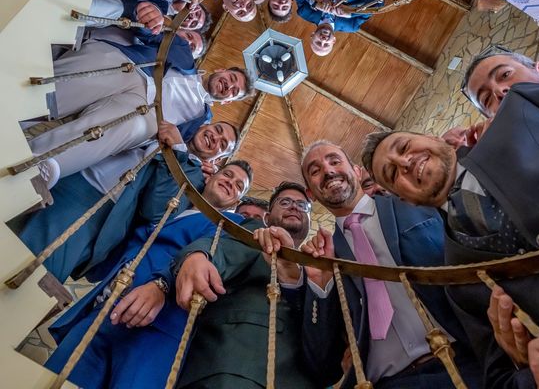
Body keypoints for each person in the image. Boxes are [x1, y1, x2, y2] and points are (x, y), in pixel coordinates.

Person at [361, 53, 539, 388]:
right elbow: (497, 377)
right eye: (392, 173)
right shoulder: (455, 279)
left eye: (403, 146)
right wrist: (532, 374)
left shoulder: (520, 109)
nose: (404, 162)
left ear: (436, 138)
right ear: (405, 199)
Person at [44, 160, 253, 389]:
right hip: (105, 306)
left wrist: (162, 285)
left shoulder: (234, 227)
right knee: (55, 380)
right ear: (211, 176)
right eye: (227, 175)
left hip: (157, 327)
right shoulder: (175, 204)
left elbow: (209, 264)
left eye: (238, 185)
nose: (230, 183)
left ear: (237, 201)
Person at [293, 140, 482, 388]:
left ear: (357, 171)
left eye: (335, 161)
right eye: (315, 171)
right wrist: (321, 286)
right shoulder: (326, 257)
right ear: (312, 194)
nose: (328, 171)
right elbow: (321, 362)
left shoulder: (412, 202)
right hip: (388, 382)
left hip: (466, 362)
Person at [29, 16, 254, 183]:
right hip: (133, 69)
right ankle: (24, 103)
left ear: (227, 101)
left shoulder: (202, 123)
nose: (230, 86)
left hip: (150, 117)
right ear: (222, 70)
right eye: (232, 78)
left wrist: (203, 168)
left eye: (235, 91)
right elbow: (149, 30)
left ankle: (48, 162)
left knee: (137, 126)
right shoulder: (183, 51)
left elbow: (188, 153)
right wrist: (154, 15)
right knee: (103, 73)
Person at [13, 120, 238, 283]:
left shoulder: (197, 179)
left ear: (217, 159)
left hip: (95, 207)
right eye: (217, 130)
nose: (215, 138)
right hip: (71, 172)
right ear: (203, 126)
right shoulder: (170, 122)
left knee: (29, 265)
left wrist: (178, 151)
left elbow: (156, 210)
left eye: (222, 144)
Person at [172, 181, 319, 388]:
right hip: (234, 367)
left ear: (310, 220)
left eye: (302, 205)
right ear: (267, 217)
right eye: (285, 202)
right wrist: (197, 256)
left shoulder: (318, 264)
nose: (294, 206)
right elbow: (223, 249)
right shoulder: (255, 233)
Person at [293, 0, 384, 56]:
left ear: (312, 35)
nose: (323, 40)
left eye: (318, 42)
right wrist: (350, 12)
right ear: (333, 41)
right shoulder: (351, 25)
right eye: (326, 45)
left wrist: (314, 2)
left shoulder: (304, 12)